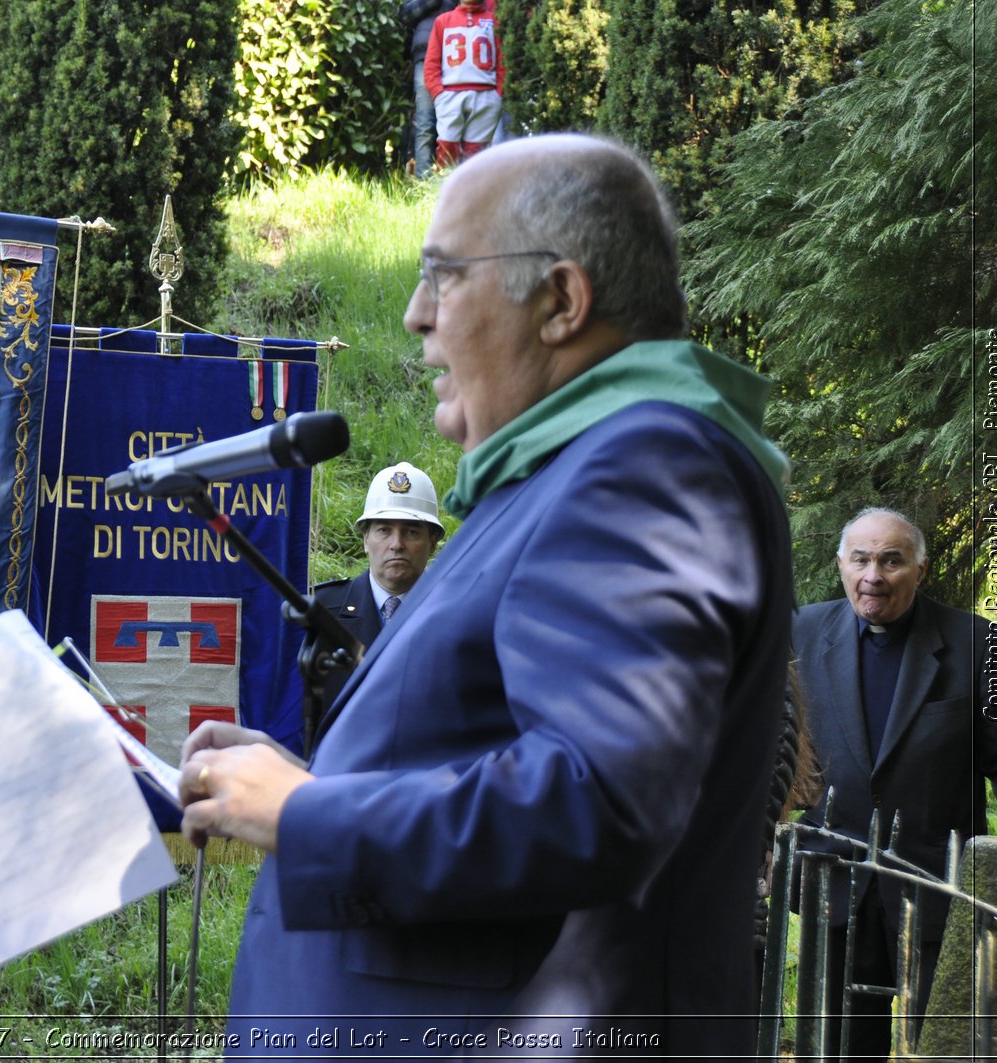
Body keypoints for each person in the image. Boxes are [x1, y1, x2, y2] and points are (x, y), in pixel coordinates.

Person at [178, 134, 794, 1056]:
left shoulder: (644, 465)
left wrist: (306, 814)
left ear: (560, 300)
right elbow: (511, 752)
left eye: (444, 276)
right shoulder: (570, 475)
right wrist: (317, 779)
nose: (415, 314)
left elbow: (600, 798)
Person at [792, 506, 997, 1057]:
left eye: (892, 561)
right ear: (841, 563)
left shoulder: (977, 643)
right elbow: (773, 745)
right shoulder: (801, 630)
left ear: (920, 568)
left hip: (937, 881)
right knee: (839, 1047)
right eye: (861, 559)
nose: (874, 576)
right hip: (833, 881)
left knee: (943, 1044)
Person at [311, 461, 443, 713]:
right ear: (365, 539)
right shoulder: (322, 612)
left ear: (433, 542)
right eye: (384, 530)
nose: (396, 544)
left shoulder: (456, 611)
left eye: (412, 532)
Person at [423, 0, 505, 169]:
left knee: (477, 155)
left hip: (486, 96)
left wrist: (498, 93)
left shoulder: (494, 20)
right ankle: (442, 192)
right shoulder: (442, 21)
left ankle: (475, 193)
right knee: (446, 149)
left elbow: (503, 61)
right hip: (449, 95)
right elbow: (431, 63)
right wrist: (439, 94)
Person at [400, 1, 458, 177]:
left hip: (457, 55)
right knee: (425, 121)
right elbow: (404, 14)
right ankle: (423, 182)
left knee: (457, 119)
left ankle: (453, 179)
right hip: (425, 54)